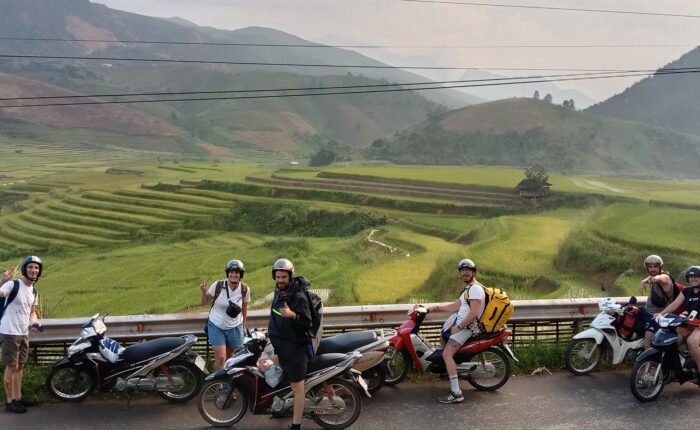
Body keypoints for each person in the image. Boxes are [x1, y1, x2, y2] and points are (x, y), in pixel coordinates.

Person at [427, 258, 485, 404]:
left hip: (467, 328)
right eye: (462, 270)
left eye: (468, 270)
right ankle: (450, 370)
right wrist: (435, 308)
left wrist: (458, 327)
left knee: (447, 354)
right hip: (461, 326)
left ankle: (456, 392)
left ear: (473, 272)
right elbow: (454, 306)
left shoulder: (476, 289)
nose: (465, 273)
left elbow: (473, 313)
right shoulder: (468, 290)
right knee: (442, 338)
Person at [267, 258, 312, 430]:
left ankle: (296, 426)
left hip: (295, 349)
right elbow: (276, 314)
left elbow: (306, 323)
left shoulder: (298, 296)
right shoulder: (280, 291)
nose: (280, 280)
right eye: (277, 277)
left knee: (297, 387)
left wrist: (293, 315)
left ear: (290, 277)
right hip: (283, 346)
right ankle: (282, 408)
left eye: (283, 277)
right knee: (286, 382)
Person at [0, 256, 43, 414]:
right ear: (25, 269)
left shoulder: (34, 290)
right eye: (31, 267)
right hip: (10, 332)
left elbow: (32, 313)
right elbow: (0, 292)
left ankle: (18, 397)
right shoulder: (13, 284)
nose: (34, 270)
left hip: (23, 332)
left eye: (37, 268)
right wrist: (2, 281)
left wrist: (35, 322)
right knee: (12, 367)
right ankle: (10, 401)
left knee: (20, 366)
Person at [199, 259, 250, 371]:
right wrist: (203, 291)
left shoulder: (244, 289)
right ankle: (218, 384)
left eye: (236, 272)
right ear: (227, 273)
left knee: (230, 356)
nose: (233, 275)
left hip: (235, 326)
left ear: (240, 274)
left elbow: (244, 310)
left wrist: (243, 326)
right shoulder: (218, 285)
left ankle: (227, 381)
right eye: (231, 272)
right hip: (217, 325)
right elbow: (204, 302)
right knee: (221, 358)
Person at [656, 265, 700, 381]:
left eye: (696, 276)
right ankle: (673, 370)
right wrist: (661, 313)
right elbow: (675, 304)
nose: (693, 279)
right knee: (670, 342)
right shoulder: (687, 291)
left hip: (699, 326)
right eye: (690, 277)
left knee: (691, 341)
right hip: (688, 324)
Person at [638, 255, 680, 350]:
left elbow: (657, 278)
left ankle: (649, 362)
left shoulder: (665, 278)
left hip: (660, 316)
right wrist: (644, 280)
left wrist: (644, 281)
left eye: (656, 266)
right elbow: (652, 277)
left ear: (660, 267)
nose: (653, 269)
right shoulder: (654, 276)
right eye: (650, 267)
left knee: (647, 339)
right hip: (649, 313)